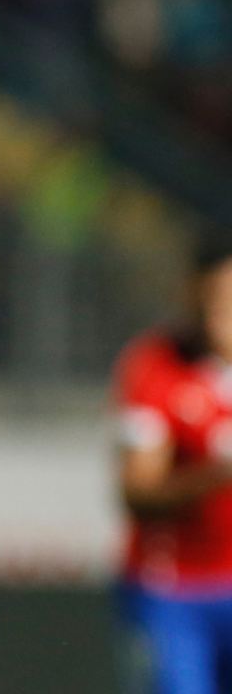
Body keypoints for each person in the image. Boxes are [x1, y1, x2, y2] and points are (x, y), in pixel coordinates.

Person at [115, 233, 232, 694]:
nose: (221, 315)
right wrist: (219, 475)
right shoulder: (157, 366)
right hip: (175, 593)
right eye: (215, 299)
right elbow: (138, 492)